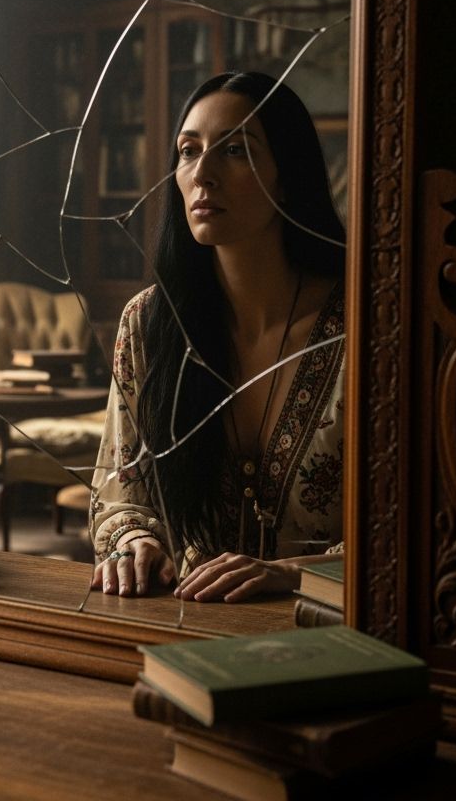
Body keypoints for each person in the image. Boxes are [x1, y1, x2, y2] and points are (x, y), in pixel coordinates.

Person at [90, 72, 345, 602]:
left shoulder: (366, 329)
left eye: (234, 151)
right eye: (187, 151)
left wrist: (295, 575)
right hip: (192, 624)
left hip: (332, 637)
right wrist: (136, 542)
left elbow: (408, 530)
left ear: (286, 175)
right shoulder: (150, 326)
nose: (202, 173)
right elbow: (121, 492)